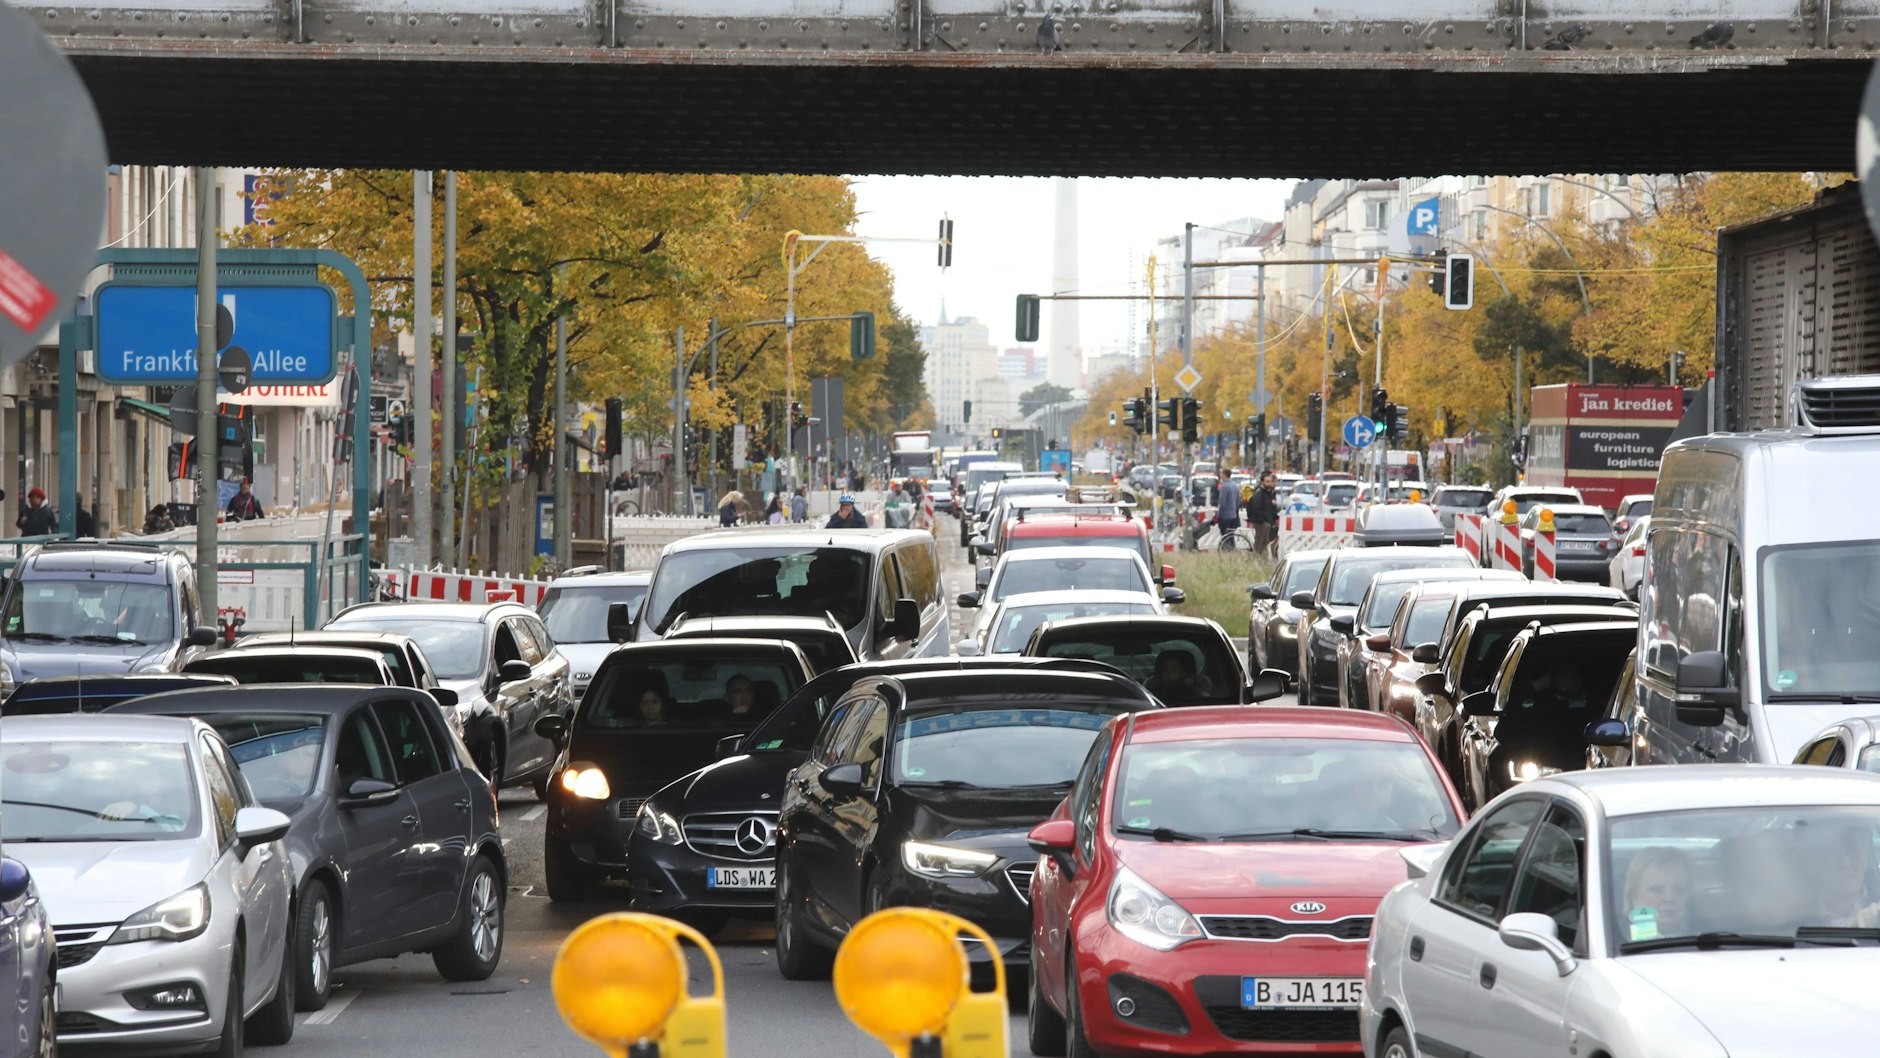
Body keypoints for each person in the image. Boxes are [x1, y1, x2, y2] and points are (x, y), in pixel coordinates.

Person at [1622, 846, 1695, 940]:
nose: (1669, 898)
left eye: (1679, 890)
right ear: (1633, 895)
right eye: (1656, 890)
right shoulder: (1610, 939)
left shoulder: (1708, 934)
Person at [1144, 649, 1211, 701]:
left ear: (1183, 673)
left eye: (1173, 669)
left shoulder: (1196, 694)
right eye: (1164, 669)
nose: (1168, 672)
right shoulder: (1150, 694)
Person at [1247, 472, 1281, 557]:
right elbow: (1256, 508)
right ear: (1262, 482)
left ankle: (1263, 561)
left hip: (1266, 521)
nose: (1269, 483)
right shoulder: (1259, 493)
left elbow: (1268, 507)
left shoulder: (1267, 493)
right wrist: (1262, 521)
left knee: (1265, 544)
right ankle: (1256, 560)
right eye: (1267, 482)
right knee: (1260, 543)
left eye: (1270, 481)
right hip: (1261, 522)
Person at [1213, 477, 1242, 549]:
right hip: (1234, 515)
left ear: (1224, 475)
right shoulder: (1235, 486)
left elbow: (1222, 503)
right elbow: (1238, 501)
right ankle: (1232, 549)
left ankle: (1226, 550)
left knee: (1224, 535)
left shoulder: (1224, 487)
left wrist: (1218, 515)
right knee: (1231, 535)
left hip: (1225, 516)